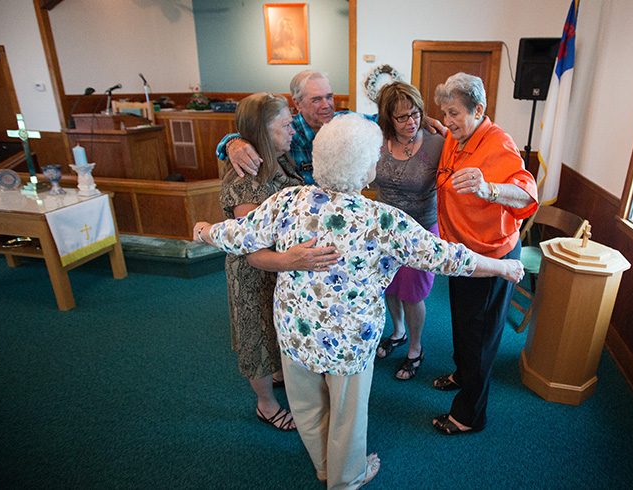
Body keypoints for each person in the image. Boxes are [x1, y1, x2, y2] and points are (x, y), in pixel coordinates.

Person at [194, 113, 525, 489]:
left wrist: (204, 231)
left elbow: (239, 235)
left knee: (306, 407)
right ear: (367, 168)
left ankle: (323, 466)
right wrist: (500, 268)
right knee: (347, 417)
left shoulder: (290, 200)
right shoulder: (382, 220)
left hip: (295, 332)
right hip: (349, 342)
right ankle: (345, 478)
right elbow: (447, 257)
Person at [431, 72, 538, 435]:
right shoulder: (453, 136)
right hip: (462, 255)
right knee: (463, 324)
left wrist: (488, 188)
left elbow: (528, 195)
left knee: (481, 336)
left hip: (493, 258)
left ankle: (469, 416)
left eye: (454, 113)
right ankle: (463, 374)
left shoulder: (498, 143)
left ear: (478, 110)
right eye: (444, 113)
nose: (448, 122)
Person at [217, 92, 324, 432]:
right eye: (286, 125)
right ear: (263, 130)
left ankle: (279, 373)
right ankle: (266, 404)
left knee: (276, 328)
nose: (293, 130)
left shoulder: (279, 156)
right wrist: (292, 259)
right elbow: (250, 246)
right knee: (257, 336)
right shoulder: (244, 176)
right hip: (256, 270)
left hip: (283, 266)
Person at [216, 70, 445, 184]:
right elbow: (253, 134)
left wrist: (420, 118)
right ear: (297, 103)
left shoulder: (345, 121)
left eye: (329, 96)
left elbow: (384, 119)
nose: (327, 105)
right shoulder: (286, 131)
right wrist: (233, 143)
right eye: (316, 99)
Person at [371, 82, 444, 381]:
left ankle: (416, 348)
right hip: (385, 231)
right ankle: (398, 332)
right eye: (401, 117)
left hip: (421, 229)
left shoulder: (436, 142)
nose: (411, 122)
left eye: (415, 114)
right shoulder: (376, 139)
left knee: (413, 294)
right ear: (388, 118)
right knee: (389, 287)